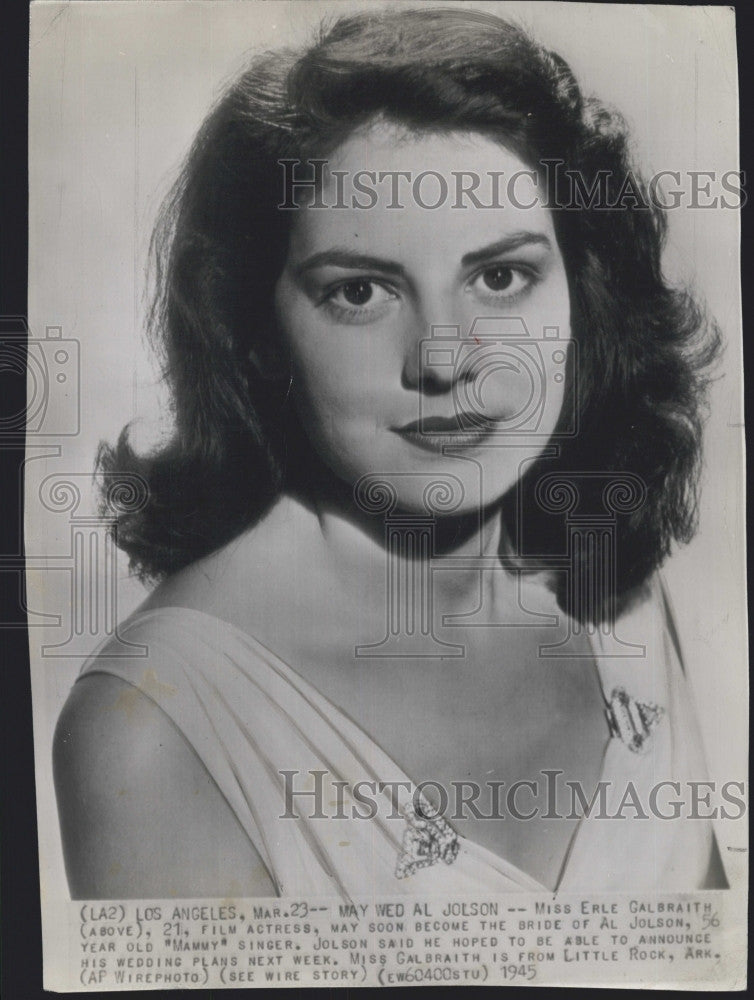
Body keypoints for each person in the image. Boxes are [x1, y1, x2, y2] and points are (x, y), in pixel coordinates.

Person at [53, 6, 724, 900]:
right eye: (361, 290)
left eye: (500, 276)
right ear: (256, 330)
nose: (445, 358)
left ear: (581, 289)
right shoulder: (156, 726)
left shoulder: (619, 587)